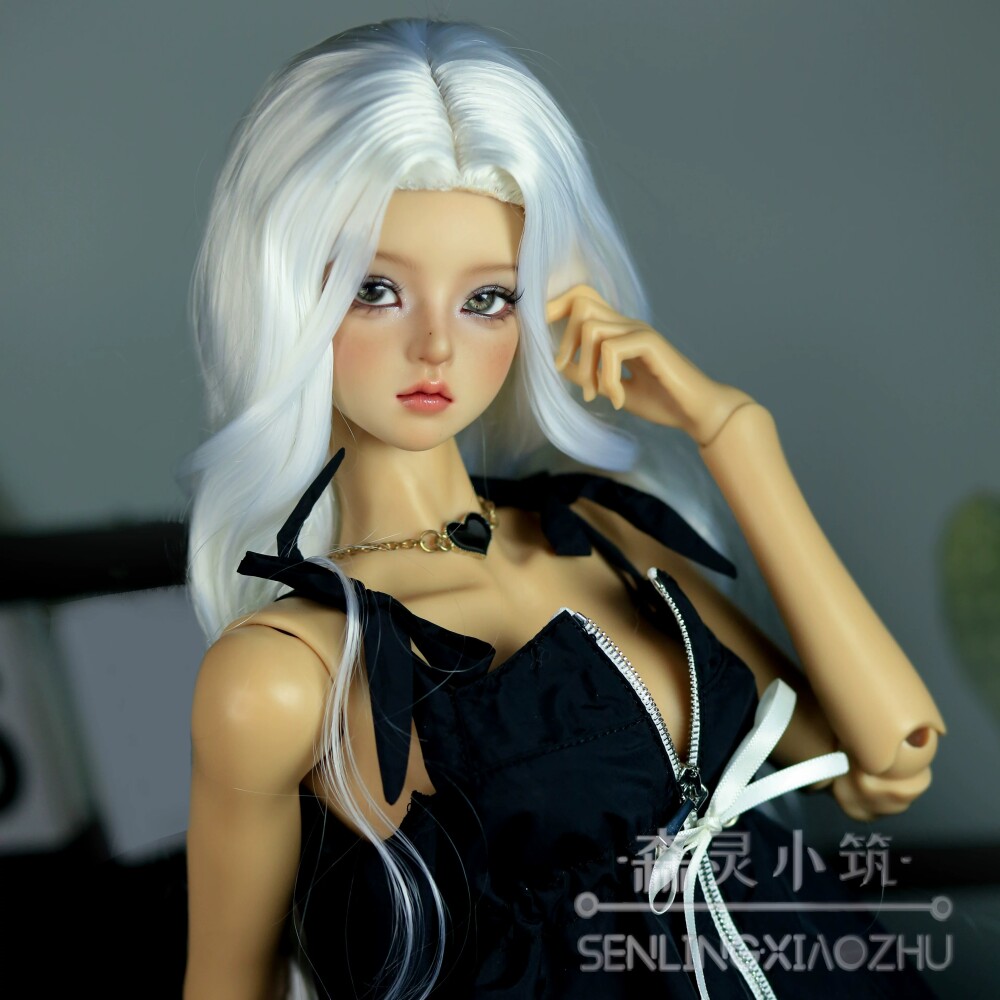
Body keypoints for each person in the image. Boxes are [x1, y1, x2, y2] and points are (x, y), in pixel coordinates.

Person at [181, 19, 945, 1000]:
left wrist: (736, 436)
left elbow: (881, 766)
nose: (435, 347)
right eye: (377, 289)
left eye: (486, 299)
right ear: (288, 294)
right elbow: (227, 982)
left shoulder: (602, 536)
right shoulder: (286, 673)